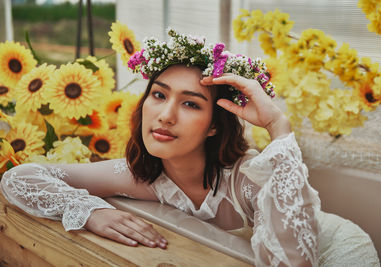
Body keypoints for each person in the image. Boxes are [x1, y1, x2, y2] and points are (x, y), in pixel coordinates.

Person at [1, 29, 321, 266]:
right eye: (159, 95)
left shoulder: (245, 179)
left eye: (191, 104)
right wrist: (89, 211)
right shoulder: (140, 175)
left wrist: (279, 126)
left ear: (214, 124)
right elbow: (20, 178)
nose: (166, 116)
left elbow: (292, 262)